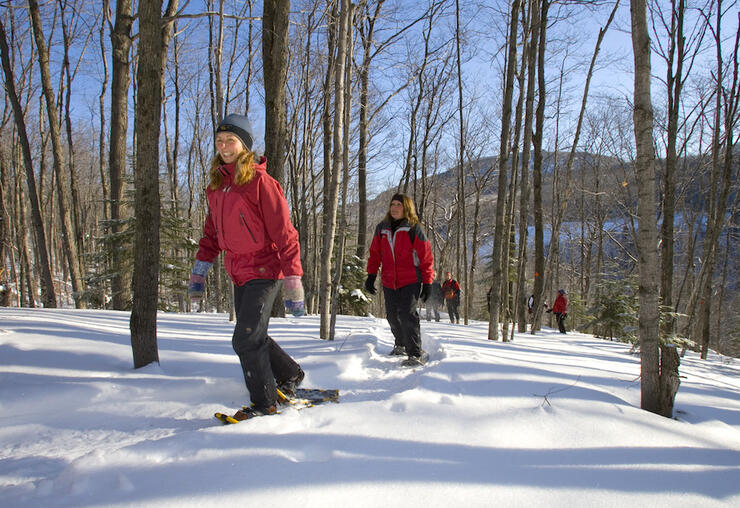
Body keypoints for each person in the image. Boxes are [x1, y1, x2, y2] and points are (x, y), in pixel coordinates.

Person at [188, 113, 306, 421]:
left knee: (245, 339)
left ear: (245, 145)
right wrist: (199, 273)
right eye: (219, 141)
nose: (224, 146)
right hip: (239, 271)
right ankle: (290, 373)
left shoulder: (261, 183)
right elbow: (211, 235)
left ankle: (263, 402)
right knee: (253, 334)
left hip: (266, 270)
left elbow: (285, 234)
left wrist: (293, 280)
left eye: (231, 140)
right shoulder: (216, 187)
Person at [365, 194, 435, 366]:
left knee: (407, 314)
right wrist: (371, 275)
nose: (395, 208)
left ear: (406, 208)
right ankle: (401, 344)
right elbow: (375, 254)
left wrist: (427, 283)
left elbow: (426, 257)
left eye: (399, 205)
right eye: (392, 204)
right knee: (391, 316)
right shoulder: (382, 228)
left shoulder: (413, 228)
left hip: (411, 279)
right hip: (389, 280)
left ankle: (415, 353)